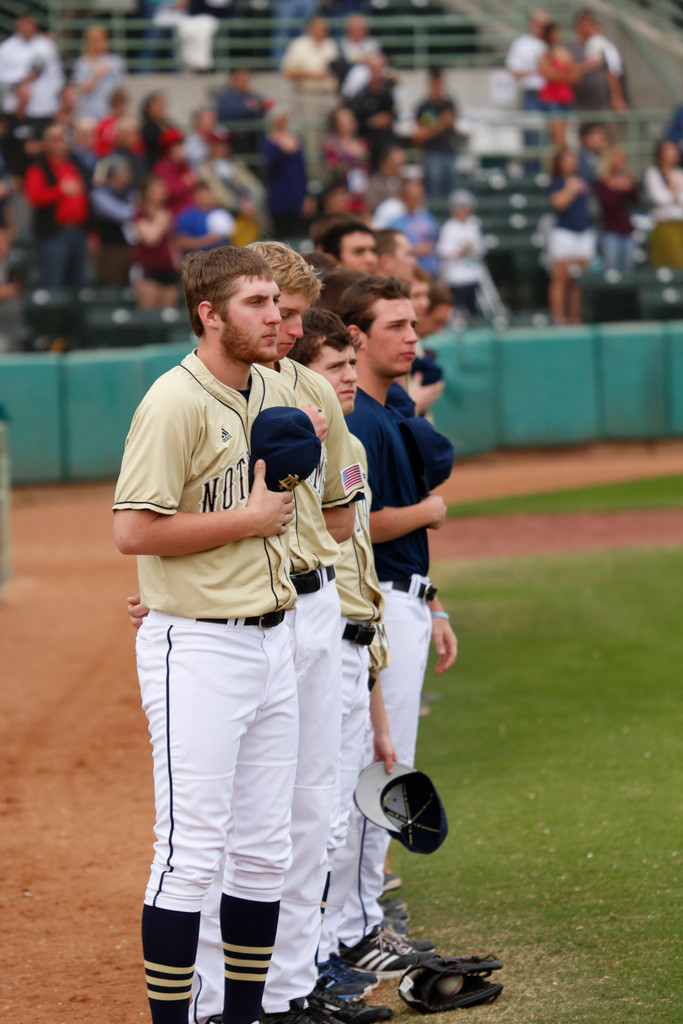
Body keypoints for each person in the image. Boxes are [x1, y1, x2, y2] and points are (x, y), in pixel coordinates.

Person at [112, 244, 302, 1024]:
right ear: (209, 313)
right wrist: (248, 519)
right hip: (198, 647)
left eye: (275, 301)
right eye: (256, 302)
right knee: (188, 854)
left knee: (264, 850)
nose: (274, 315)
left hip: (272, 640)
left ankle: (245, 1015)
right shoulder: (174, 400)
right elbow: (131, 531)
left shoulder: (271, 387)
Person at [335, 275, 457, 975]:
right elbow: (361, 524)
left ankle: (359, 917)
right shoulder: (365, 421)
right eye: (396, 326)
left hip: (404, 596)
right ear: (356, 336)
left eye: (413, 325)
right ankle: (360, 926)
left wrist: (434, 600)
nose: (412, 337)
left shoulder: (386, 409)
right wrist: (427, 514)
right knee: (381, 765)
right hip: (378, 598)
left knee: (380, 761)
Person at [24, 122, 89, 289]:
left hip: (79, 232)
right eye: (56, 139)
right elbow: (34, 197)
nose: (62, 142)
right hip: (54, 234)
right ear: (46, 143)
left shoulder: (75, 162)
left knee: (77, 284)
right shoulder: (38, 166)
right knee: (53, 282)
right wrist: (60, 191)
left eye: (64, 138)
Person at [281, 17, 339, 170]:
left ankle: (329, 174)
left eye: (325, 28)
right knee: (311, 136)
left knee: (329, 136)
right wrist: (314, 74)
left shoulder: (331, 45)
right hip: (307, 95)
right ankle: (313, 175)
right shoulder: (298, 45)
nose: (323, 31)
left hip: (329, 95)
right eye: (319, 28)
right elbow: (287, 71)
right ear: (310, 29)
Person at [547, 147, 595, 324]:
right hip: (564, 233)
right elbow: (558, 204)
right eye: (567, 159)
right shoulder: (557, 183)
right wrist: (571, 189)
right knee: (561, 279)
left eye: (573, 158)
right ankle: (560, 319)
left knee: (577, 280)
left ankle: (575, 319)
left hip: (583, 232)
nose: (572, 162)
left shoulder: (583, 179)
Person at [0, 14, 65, 132]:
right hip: (16, 108)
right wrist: (24, 79)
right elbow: (2, 76)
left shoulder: (47, 46)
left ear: (35, 25)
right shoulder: (6, 47)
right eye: (23, 23)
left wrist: (57, 102)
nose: (26, 26)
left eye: (29, 23)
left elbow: (57, 77)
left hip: (43, 107)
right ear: (17, 24)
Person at [504, 9, 549, 170]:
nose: (541, 27)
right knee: (531, 137)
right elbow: (513, 71)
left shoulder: (550, 43)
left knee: (549, 139)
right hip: (532, 94)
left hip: (551, 95)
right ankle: (533, 174)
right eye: (538, 23)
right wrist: (537, 71)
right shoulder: (521, 43)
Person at [261, 106, 314, 240]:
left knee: (297, 232)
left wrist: (306, 195)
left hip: (296, 192)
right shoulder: (269, 141)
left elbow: (302, 170)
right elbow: (268, 169)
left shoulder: (297, 139)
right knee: (280, 234)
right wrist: (282, 151)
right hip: (278, 193)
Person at [412, 69, 462, 208]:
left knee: (452, 193)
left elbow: (455, 129)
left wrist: (450, 123)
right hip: (432, 154)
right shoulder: (423, 107)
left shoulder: (449, 104)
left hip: (449, 153)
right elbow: (418, 136)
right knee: (434, 193)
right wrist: (440, 124)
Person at [130, 174, 180, 308]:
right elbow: (150, 239)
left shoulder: (166, 212)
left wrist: (176, 263)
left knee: (168, 312)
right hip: (148, 269)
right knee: (148, 311)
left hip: (168, 268)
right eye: (158, 187)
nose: (162, 190)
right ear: (147, 192)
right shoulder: (140, 213)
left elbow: (171, 241)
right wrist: (160, 221)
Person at [436, 188, 485, 318]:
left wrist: (471, 250)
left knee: (472, 310)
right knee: (456, 310)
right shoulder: (449, 228)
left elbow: (480, 250)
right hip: (455, 278)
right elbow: (444, 254)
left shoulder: (473, 226)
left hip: (472, 275)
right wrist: (462, 252)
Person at [90, 154, 137, 284]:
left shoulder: (130, 192)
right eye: (125, 171)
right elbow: (121, 214)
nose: (129, 174)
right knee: (112, 283)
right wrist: (139, 210)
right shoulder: (100, 193)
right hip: (111, 248)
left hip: (131, 247)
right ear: (114, 174)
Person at [572, 10, 627, 113]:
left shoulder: (602, 45)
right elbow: (569, 71)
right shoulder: (571, 48)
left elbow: (614, 69)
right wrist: (598, 62)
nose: (588, 25)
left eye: (591, 22)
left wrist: (617, 96)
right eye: (584, 21)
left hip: (602, 103)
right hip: (579, 103)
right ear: (577, 25)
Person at [593, 145, 637, 273]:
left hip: (627, 229)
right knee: (611, 270)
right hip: (610, 229)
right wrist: (618, 188)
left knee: (628, 270)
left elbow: (635, 200)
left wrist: (630, 184)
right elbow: (608, 203)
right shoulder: (601, 182)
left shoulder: (626, 178)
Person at [348, 54, 398, 167]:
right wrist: (371, 122)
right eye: (375, 69)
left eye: (380, 69)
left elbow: (395, 115)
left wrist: (388, 119)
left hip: (386, 143)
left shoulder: (389, 93)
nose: (378, 73)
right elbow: (354, 121)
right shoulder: (360, 95)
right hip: (367, 142)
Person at [72, 26, 126, 122]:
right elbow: (82, 89)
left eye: (100, 39)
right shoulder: (82, 62)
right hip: (89, 113)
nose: (97, 43)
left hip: (110, 112)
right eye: (94, 40)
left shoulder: (115, 62)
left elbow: (120, 89)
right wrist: (97, 75)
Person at [537, 22, 578, 150]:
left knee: (566, 138)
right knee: (557, 139)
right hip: (552, 99)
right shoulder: (546, 54)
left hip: (565, 98)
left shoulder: (566, 53)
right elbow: (549, 75)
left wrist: (561, 73)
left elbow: (575, 76)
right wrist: (565, 72)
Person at [643, 139, 683, 268]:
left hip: (680, 223)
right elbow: (658, 198)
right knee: (668, 264)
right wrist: (672, 193)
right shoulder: (652, 173)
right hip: (663, 224)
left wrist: (673, 195)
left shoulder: (679, 173)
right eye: (669, 150)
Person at [388, 179, 439, 277]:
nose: (416, 200)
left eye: (419, 197)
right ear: (404, 198)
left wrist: (430, 246)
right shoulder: (394, 222)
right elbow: (392, 248)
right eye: (412, 197)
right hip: (407, 271)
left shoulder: (429, 219)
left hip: (429, 270)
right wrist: (414, 250)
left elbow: (436, 241)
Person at [215, 68, 268, 161]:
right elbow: (226, 112)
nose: (246, 81)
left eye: (247, 78)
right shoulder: (226, 96)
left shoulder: (251, 95)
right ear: (234, 79)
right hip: (236, 140)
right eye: (242, 78)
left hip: (253, 140)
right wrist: (248, 108)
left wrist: (260, 106)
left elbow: (263, 105)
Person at [175, 179, 235, 255]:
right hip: (197, 260)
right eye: (203, 195)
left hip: (221, 259)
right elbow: (182, 242)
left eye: (208, 195)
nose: (207, 198)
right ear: (196, 196)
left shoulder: (222, 214)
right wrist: (206, 241)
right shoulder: (187, 216)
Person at [153, 127, 197, 215]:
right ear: (168, 150)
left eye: (180, 146)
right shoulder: (161, 167)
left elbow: (194, 182)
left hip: (193, 209)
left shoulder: (184, 165)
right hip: (175, 212)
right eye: (175, 147)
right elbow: (167, 191)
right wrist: (184, 183)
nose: (179, 150)